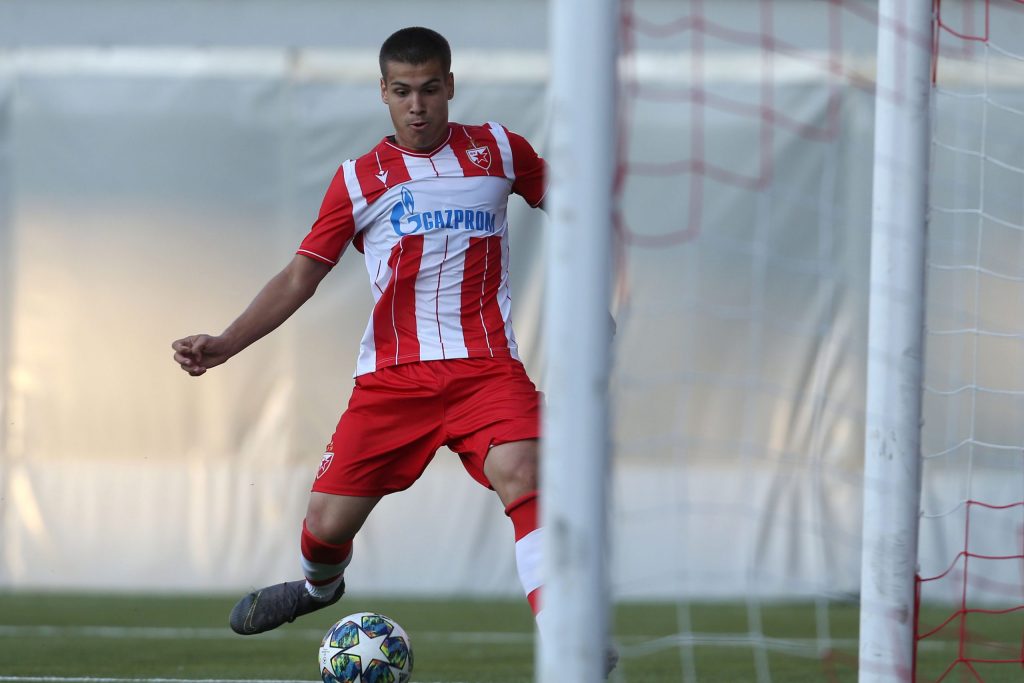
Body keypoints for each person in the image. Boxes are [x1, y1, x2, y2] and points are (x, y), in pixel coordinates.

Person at [172, 25, 567, 659]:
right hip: (392, 381)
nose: (419, 106)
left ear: (451, 87)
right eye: (404, 91)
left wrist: (603, 290)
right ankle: (318, 588)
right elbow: (303, 273)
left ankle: (566, 638)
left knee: (525, 471)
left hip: (487, 370)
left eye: (431, 90)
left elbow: (576, 210)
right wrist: (226, 342)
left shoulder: (500, 150)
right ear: (383, 92)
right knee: (326, 526)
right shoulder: (358, 180)